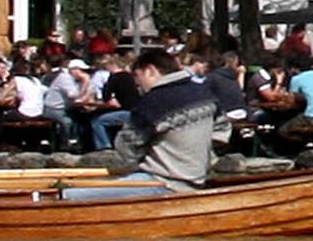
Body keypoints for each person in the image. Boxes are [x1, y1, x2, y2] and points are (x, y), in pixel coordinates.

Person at [69, 49, 217, 198]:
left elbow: (126, 145)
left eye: (138, 76)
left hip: (163, 181)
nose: (137, 84)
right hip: (195, 179)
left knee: (71, 194)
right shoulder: (205, 94)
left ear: (150, 70)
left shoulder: (154, 101)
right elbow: (222, 131)